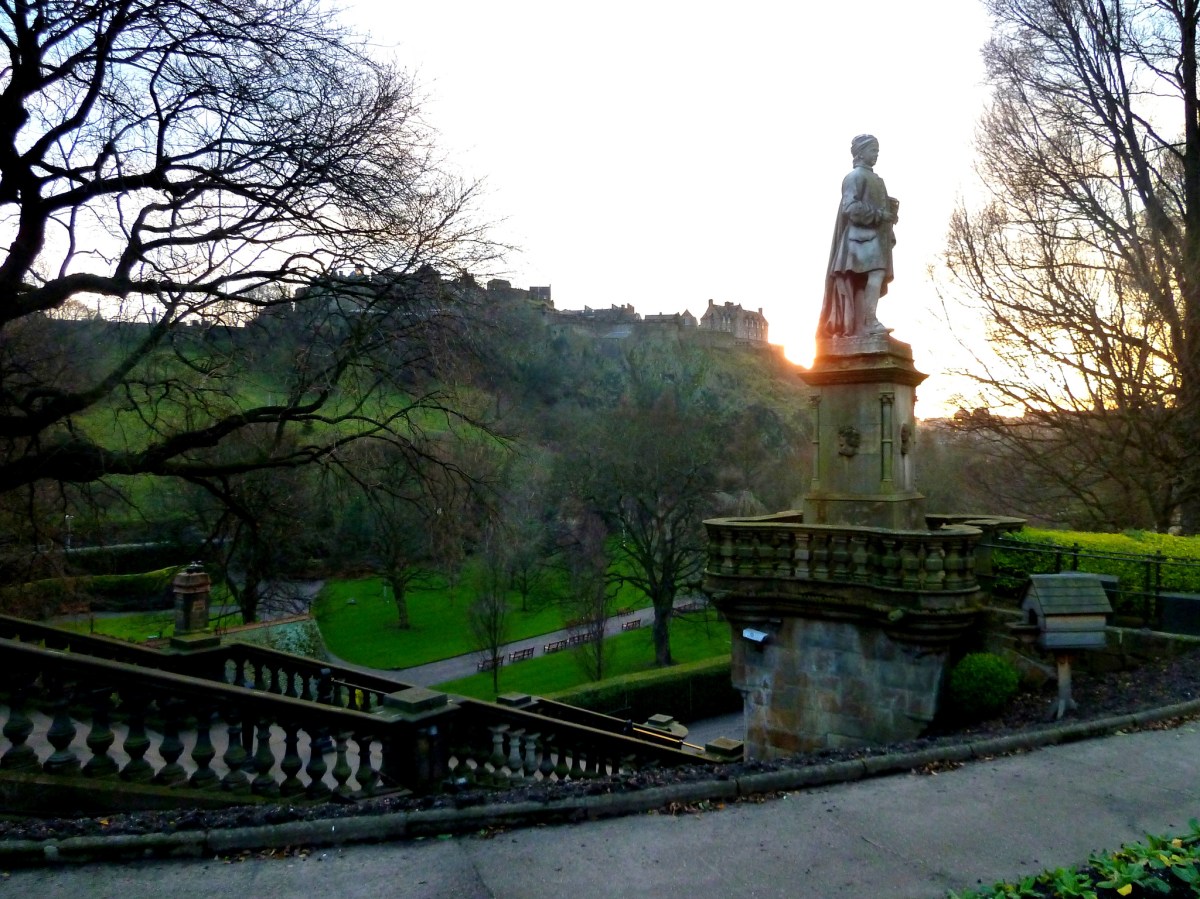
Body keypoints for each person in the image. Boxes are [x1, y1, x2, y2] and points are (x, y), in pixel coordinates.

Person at [819, 134, 898, 338]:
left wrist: (889, 215)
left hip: (872, 239)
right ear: (861, 153)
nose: (876, 155)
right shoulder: (854, 177)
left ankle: (862, 323)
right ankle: (868, 321)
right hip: (859, 241)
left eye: (877, 151)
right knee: (875, 274)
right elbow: (850, 207)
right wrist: (880, 215)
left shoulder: (875, 179)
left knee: (868, 280)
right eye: (873, 150)